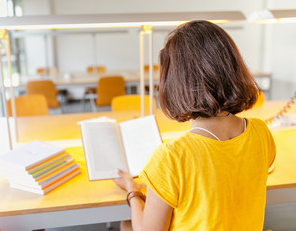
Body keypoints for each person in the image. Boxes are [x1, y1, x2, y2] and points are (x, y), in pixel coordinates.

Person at [113, 20, 276, 231]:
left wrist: (133, 192)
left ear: (175, 83)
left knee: (126, 225)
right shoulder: (261, 132)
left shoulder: (171, 157)